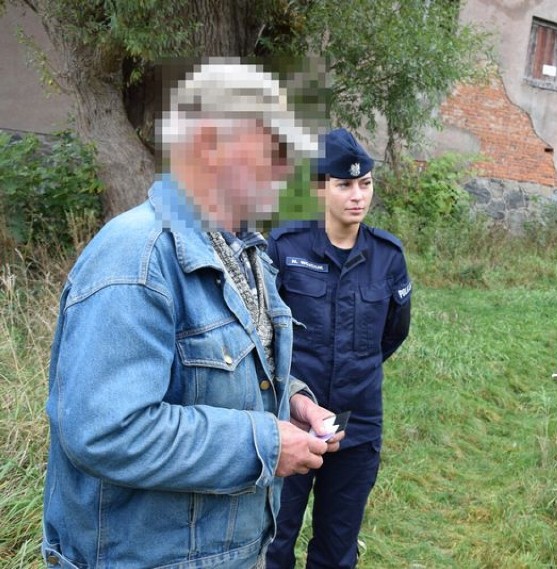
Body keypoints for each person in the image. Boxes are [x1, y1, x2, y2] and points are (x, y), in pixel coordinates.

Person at [41, 59, 345, 569]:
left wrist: (289, 402)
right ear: (209, 143)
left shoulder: (248, 253)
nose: (290, 166)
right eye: (276, 147)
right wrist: (264, 444)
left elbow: (215, 363)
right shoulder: (135, 258)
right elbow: (107, 430)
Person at [265, 128, 412, 569]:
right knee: (273, 539)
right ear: (318, 188)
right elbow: (265, 331)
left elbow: (394, 332)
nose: (357, 195)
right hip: (289, 419)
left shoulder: (388, 255)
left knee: (337, 547)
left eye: (364, 183)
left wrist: (353, 370)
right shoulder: (285, 247)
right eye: (344, 184)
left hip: (357, 423)